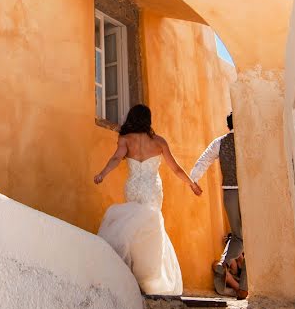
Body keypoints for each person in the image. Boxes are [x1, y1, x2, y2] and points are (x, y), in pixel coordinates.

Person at [93, 104, 202, 295]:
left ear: (132, 118)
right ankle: (150, 278)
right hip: (152, 189)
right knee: (150, 229)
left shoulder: (125, 139)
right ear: (147, 120)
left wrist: (102, 174)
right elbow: (175, 168)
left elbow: (116, 159)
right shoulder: (159, 142)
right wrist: (191, 183)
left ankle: (130, 274)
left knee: (133, 225)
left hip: (133, 187)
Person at [189, 113, 248, 299]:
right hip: (249, 193)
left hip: (229, 193)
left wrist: (193, 180)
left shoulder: (220, 142)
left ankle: (223, 263)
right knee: (253, 238)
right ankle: (244, 288)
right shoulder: (249, 138)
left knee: (238, 236)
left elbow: (204, 160)